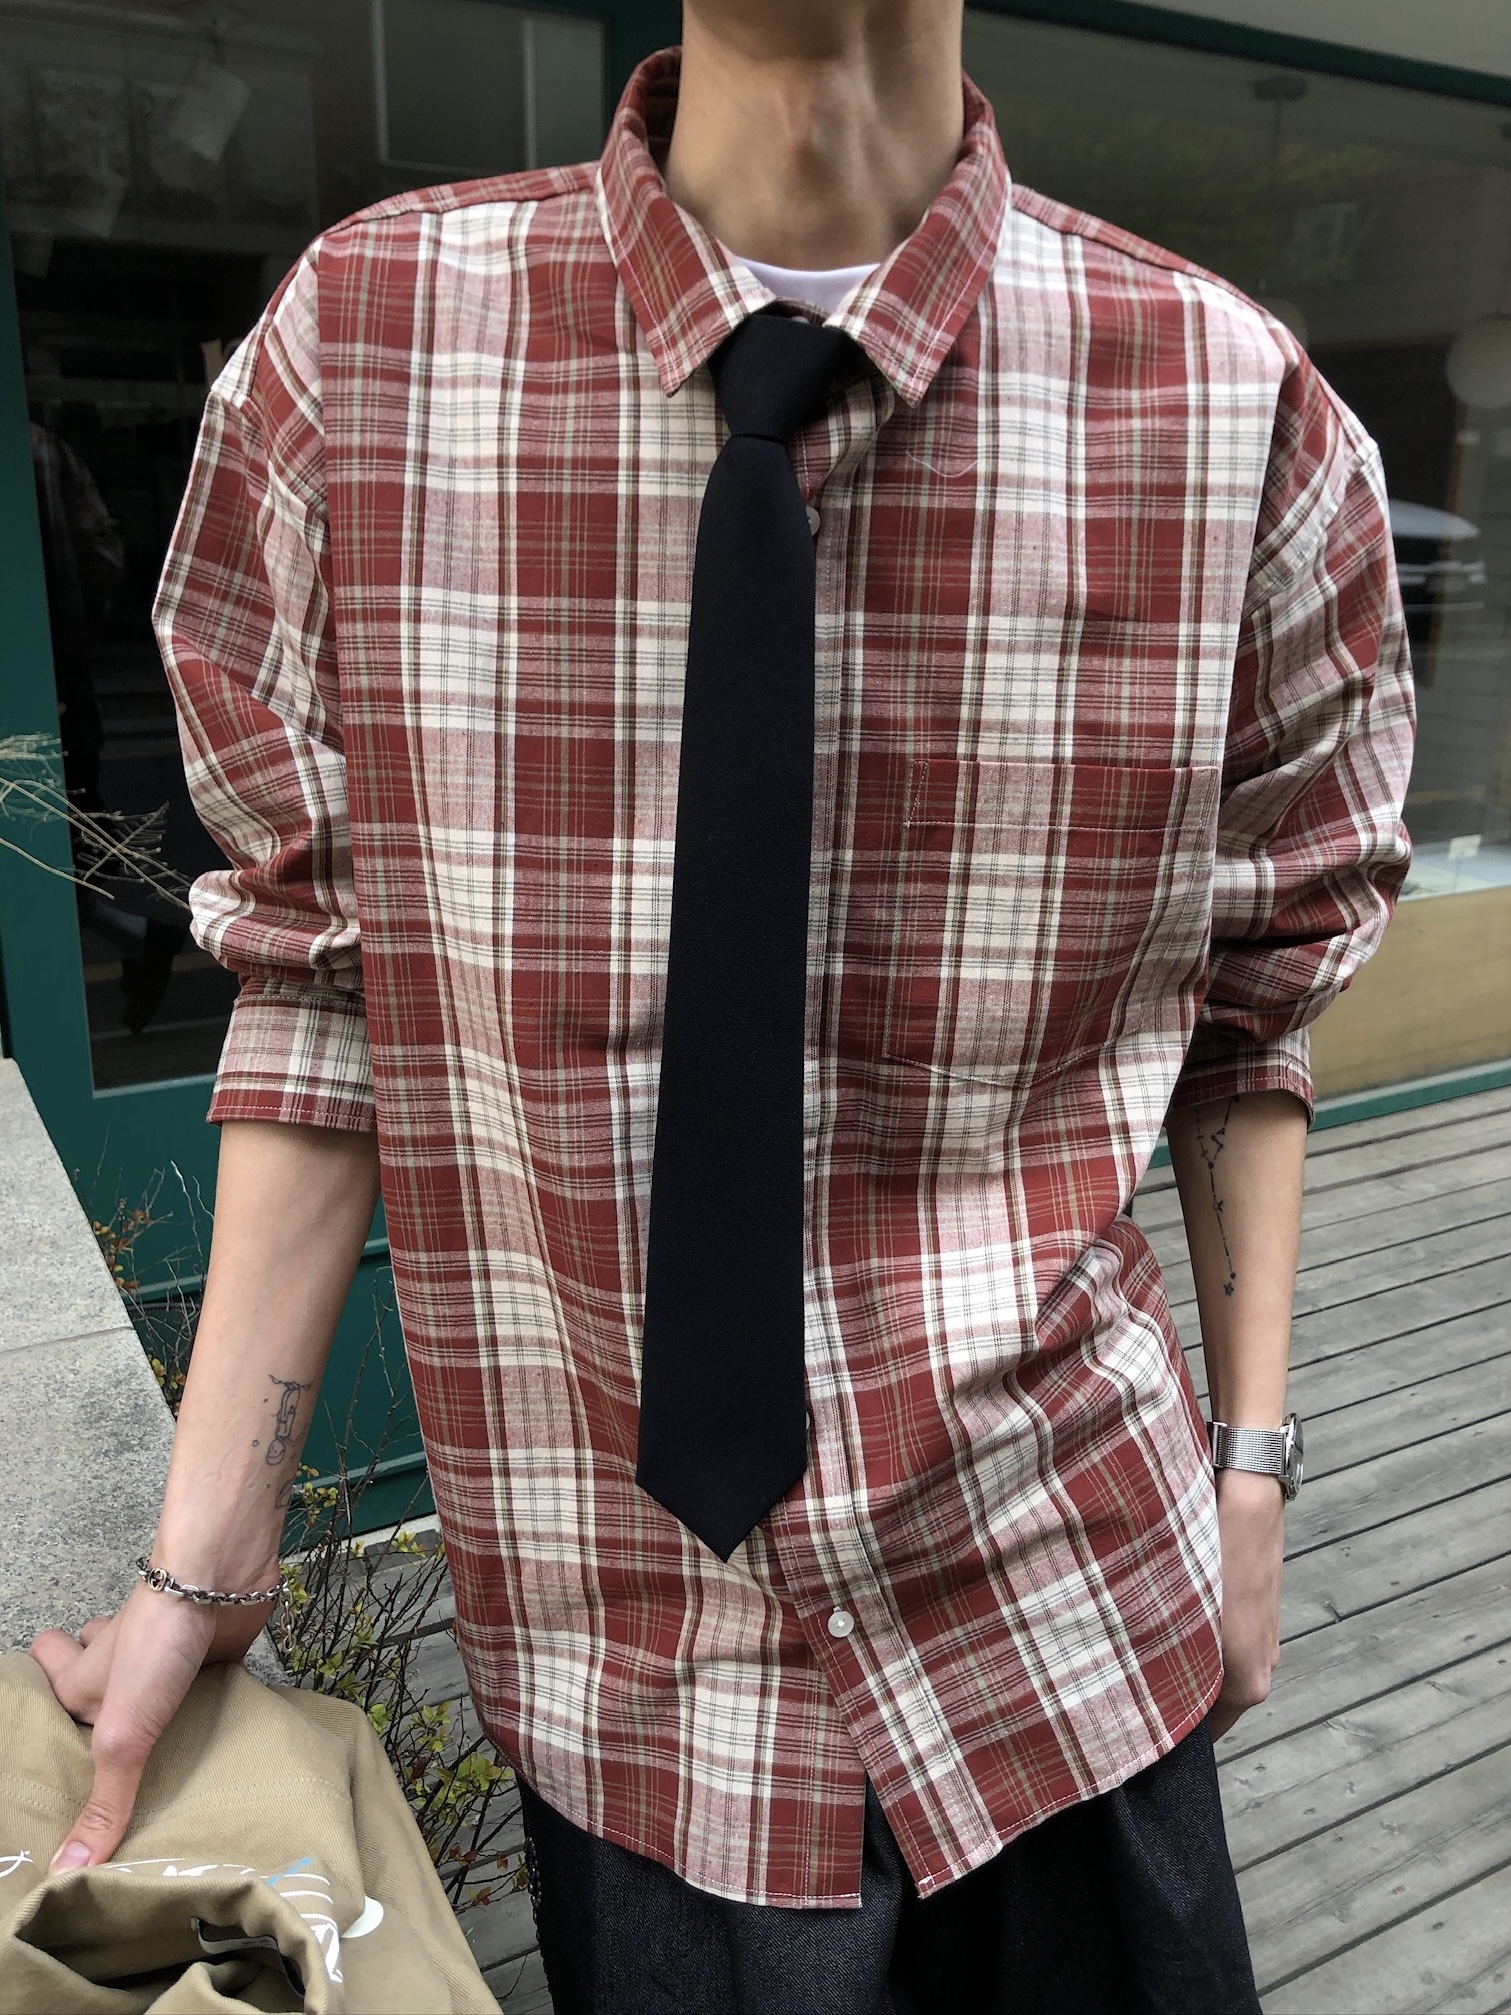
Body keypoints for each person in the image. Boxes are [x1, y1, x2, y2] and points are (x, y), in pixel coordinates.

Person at [29, 2, 1413, 2009]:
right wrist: (205, 1557)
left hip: (1072, 1620)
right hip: (629, 1667)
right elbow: (319, 989)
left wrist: (1253, 1468)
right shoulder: (363, 356)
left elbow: (1252, 1004)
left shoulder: (1230, 406)